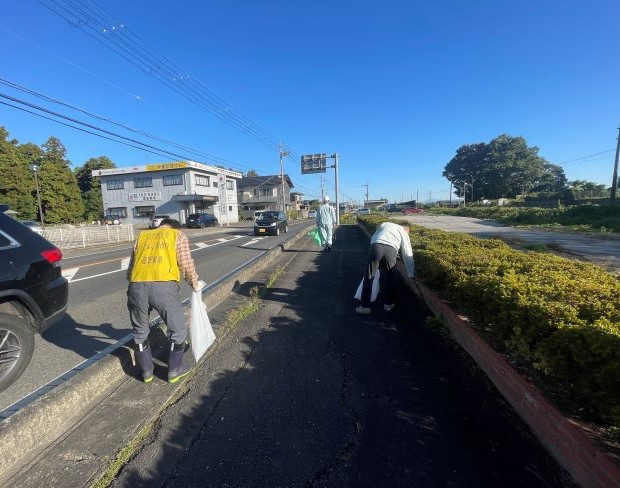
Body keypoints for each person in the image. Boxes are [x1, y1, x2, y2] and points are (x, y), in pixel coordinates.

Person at [127, 217, 203, 383]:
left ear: (160, 226)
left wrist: (133, 285)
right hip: (164, 286)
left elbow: (132, 264)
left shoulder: (143, 236)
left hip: (136, 286)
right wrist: (194, 283)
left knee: (140, 332)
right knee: (177, 330)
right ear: (176, 227)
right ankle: (174, 370)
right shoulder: (177, 235)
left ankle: (147, 372)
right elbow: (186, 264)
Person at [355, 222, 415, 315]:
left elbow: (375, 236)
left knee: (369, 276)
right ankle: (388, 304)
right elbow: (407, 252)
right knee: (390, 277)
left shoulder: (385, 224)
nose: (407, 234)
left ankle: (364, 307)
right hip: (391, 250)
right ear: (406, 228)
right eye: (408, 232)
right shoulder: (403, 231)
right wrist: (411, 273)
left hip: (376, 246)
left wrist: (374, 251)